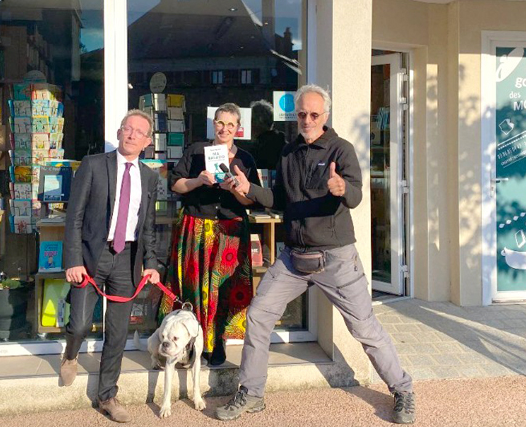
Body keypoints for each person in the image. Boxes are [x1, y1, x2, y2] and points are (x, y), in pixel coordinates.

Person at [216, 85, 416, 425]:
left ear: (325, 116)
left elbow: (354, 195)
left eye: (313, 114)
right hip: (294, 258)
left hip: (336, 259)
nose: (306, 120)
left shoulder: (341, 149)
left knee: (364, 328)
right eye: (301, 115)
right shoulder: (287, 153)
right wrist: (249, 190)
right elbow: (279, 199)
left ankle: (403, 390)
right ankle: (251, 393)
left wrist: (342, 189)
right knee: (259, 315)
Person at [60, 109, 160, 424]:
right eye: (126, 129)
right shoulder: (92, 166)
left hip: (127, 259)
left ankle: (107, 396)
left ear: (147, 142)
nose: (131, 134)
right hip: (92, 255)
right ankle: (71, 353)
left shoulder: (150, 176)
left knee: (116, 333)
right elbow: (73, 216)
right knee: (78, 324)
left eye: (138, 131)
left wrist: (151, 263)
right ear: (118, 133)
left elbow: (149, 226)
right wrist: (73, 259)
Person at [158, 103, 260, 367]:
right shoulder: (195, 151)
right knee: (193, 287)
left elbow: (252, 200)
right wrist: (198, 181)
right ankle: (191, 342)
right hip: (197, 226)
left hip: (230, 230)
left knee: (223, 288)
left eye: (230, 124)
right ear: (213, 124)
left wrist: (236, 188)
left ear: (238, 128)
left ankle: (218, 343)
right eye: (220, 123)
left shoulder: (245, 159)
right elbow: (176, 184)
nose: (224, 129)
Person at [248, 99, 286, 170]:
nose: (249, 125)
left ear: (258, 122)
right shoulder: (284, 144)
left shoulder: (258, 149)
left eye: (251, 120)